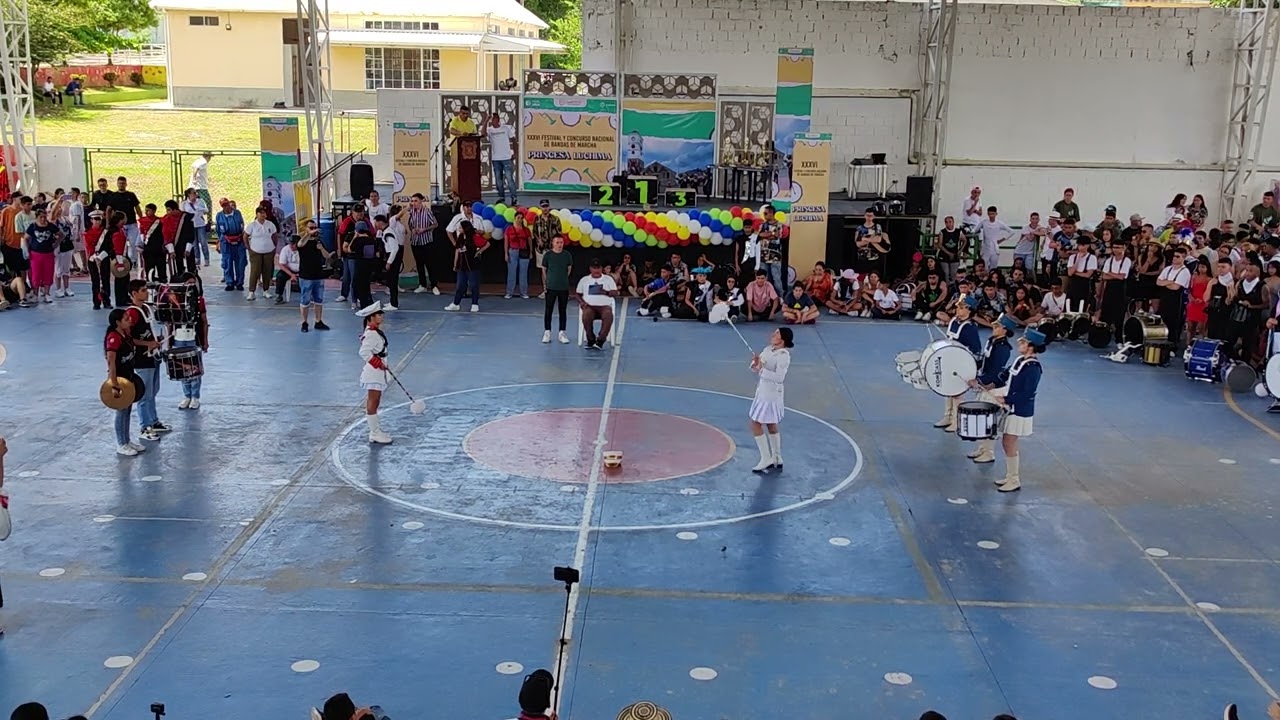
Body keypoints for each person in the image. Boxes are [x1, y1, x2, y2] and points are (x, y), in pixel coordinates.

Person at [991, 328, 1046, 493]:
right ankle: (1010, 476)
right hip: (1011, 407)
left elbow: (1028, 393)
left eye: (1023, 342)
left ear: (1031, 346)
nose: (1019, 343)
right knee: (1007, 442)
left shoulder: (1033, 368)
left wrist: (1006, 399)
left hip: (1019, 409)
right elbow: (1006, 376)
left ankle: (1014, 478)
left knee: (1009, 442)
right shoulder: (1020, 360)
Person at [965, 314, 1017, 464]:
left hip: (993, 388)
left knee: (988, 421)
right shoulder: (992, 341)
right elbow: (985, 360)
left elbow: (995, 371)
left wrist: (980, 380)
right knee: (981, 419)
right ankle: (982, 448)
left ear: (1005, 331)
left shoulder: (1003, 348)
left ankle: (989, 452)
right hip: (985, 384)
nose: (994, 328)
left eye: (998, 326)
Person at [127, 279, 169, 441]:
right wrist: (147, 343)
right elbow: (129, 338)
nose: (146, 292)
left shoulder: (145, 308)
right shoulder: (132, 313)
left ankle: (154, 421)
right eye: (143, 290)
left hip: (153, 355)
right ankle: (145, 427)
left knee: (153, 391)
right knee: (144, 394)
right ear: (134, 294)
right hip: (142, 358)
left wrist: (156, 339)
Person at [749, 327, 794, 473]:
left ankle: (765, 458)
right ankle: (777, 457)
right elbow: (756, 368)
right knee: (771, 423)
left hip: (770, 395)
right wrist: (756, 363)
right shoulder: (768, 349)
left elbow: (779, 378)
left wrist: (761, 369)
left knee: (755, 424)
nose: (772, 335)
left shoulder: (783, 356)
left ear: (783, 339)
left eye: (776, 333)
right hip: (763, 391)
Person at [936, 294, 982, 431]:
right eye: (959, 307)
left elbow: (976, 349)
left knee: (957, 392)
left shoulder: (970, 328)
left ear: (969, 311)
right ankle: (948, 415)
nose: (958, 309)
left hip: (962, 363)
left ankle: (957, 420)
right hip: (951, 359)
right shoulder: (955, 321)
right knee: (948, 389)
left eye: (962, 308)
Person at [104, 308, 146, 456]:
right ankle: (121, 443)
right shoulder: (114, 338)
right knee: (121, 410)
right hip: (119, 378)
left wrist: (148, 343)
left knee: (127, 410)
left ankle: (127, 440)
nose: (130, 320)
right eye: (126, 318)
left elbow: (134, 342)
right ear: (118, 322)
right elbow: (111, 363)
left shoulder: (126, 335)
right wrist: (114, 384)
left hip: (129, 376)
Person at [165, 272, 209, 409]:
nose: (191, 285)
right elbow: (170, 323)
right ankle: (186, 395)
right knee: (182, 367)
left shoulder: (199, 300)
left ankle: (195, 396)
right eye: (188, 283)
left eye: (193, 283)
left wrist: (205, 340)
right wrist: (169, 342)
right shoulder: (175, 300)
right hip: (178, 338)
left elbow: (204, 321)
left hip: (193, 338)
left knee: (194, 368)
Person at [356, 301, 394, 445]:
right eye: (379, 314)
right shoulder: (371, 334)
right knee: (373, 401)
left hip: (378, 371)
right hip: (374, 372)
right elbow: (364, 352)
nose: (381, 317)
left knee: (376, 401)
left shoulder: (374, 331)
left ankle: (376, 430)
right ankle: (374, 432)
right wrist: (378, 363)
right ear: (371, 317)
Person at [575, 258, 618, 349]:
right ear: (590, 269)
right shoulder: (584, 280)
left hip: (604, 306)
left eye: (598, 268)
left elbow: (616, 293)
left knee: (608, 314)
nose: (596, 270)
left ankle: (601, 340)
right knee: (586, 314)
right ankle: (591, 339)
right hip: (590, 306)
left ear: (601, 268)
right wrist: (582, 303)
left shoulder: (608, 279)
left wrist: (605, 292)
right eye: (594, 268)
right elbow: (577, 294)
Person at [542, 235, 572, 343]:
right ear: (553, 243)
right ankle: (547, 332)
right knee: (548, 310)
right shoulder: (548, 255)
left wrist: (562, 279)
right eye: (557, 242)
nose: (559, 245)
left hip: (563, 287)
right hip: (551, 287)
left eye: (561, 242)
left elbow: (569, 269)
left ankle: (562, 333)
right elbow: (544, 270)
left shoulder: (567, 255)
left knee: (562, 310)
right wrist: (547, 283)